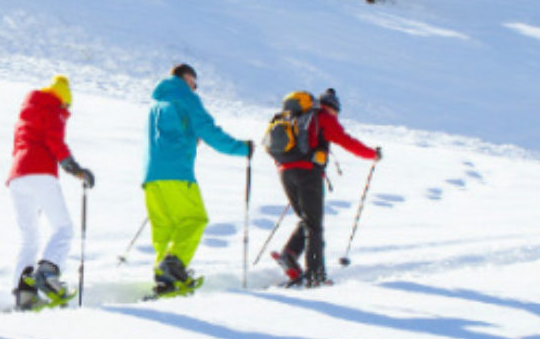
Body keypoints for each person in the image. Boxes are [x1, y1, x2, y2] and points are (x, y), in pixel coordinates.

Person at [142, 63, 252, 297]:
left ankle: (165, 277)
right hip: (177, 172)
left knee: (165, 227)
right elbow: (208, 130)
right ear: (187, 77)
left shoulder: (157, 102)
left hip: (152, 175)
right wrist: (242, 148)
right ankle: (174, 264)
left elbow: (170, 134)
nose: (195, 88)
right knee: (194, 219)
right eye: (195, 83)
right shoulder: (185, 96)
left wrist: (190, 138)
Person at [270, 88, 380, 288]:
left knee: (307, 220)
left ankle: (290, 254)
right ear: (332, 108)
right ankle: (316, 275)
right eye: (336, 112)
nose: (336, 116)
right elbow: (346, 141)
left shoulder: (294, 118)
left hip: (285, 172)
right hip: (308, 174)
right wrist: (372, 154)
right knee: (314, 226)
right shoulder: (323, 117)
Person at [7, 75, 95, 310]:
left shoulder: (27, 110)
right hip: (41, 173)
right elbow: (54, 141)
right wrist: (75, 169)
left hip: (17, 177)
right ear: (64, 99)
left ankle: (24, 294)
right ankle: (47, 273)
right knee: (63, 228)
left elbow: (18, 146)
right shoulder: (52, 107)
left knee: (29, 237)